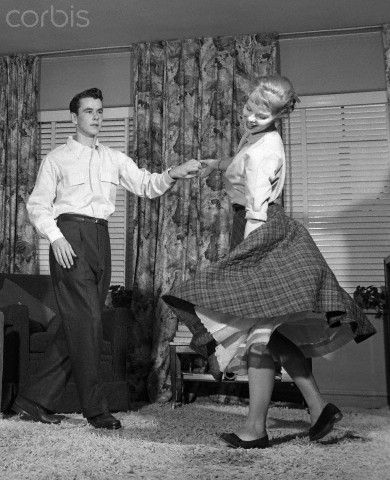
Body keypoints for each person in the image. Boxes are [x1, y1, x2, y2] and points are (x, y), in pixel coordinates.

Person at [162, 75, 376, 448]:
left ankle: (258, 428)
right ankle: (316, 408)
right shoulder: (256, 138)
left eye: (262, 114)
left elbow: (258, 209)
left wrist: (249, 263)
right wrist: (216, 163)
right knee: (267, 335)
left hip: (261, 232)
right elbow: (242, 164)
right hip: (255, 227)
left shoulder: (266, 150)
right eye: (249, 108)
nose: (250, 117)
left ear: (280, 115)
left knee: (259, 337)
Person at [12, 87, 202, 429]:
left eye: (100, 111)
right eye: (89, 111)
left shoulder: (113, 158)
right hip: (69, 236)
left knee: (80, 324)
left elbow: (147, 184)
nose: (96, 116)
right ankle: (95, 409)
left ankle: (32, 400)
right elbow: (38, 205)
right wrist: (55, 238)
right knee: (89, 324)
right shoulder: (56, 158)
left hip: (101, 237)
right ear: (74, 117)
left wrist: (174, 173)